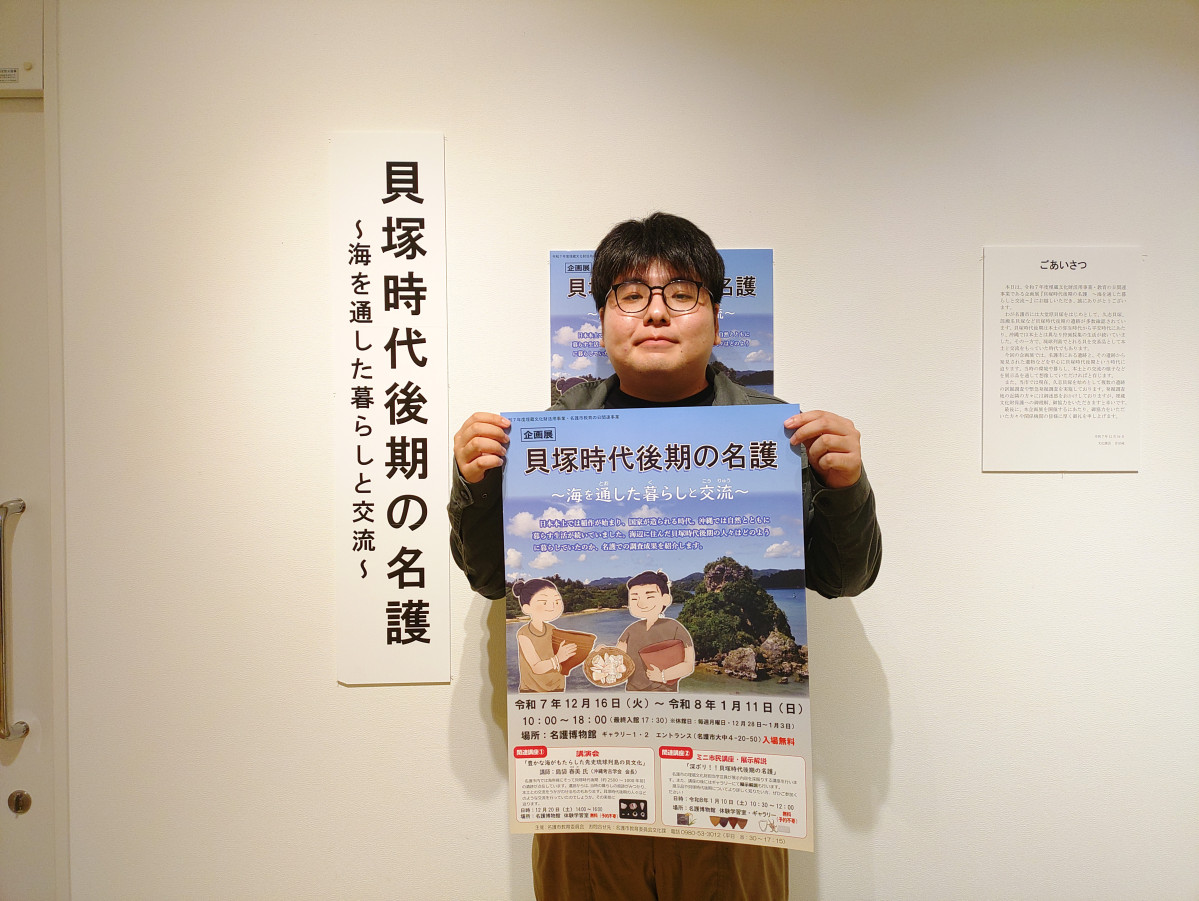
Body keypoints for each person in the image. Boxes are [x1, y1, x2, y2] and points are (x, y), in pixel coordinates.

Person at [449, 212, 882, 901]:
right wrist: (473, 483)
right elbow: (486, 579)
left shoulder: (779, 435)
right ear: (600, 320)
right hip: (586, 781)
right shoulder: (545, 441)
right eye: (631, 294)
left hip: (731, 784)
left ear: (716, 317)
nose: (656, 311)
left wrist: (844, 484)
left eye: (681, 293)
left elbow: (845, 576)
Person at [616, 570, 694, 691]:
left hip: (664, 694)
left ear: (665, 599)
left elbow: (688, 664)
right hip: (633, 693)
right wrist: (602, 654)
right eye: (634, 598)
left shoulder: (675, 628)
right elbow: (616, 658)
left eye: (650, 597)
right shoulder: (630, 630)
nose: (641, 603)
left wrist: (663, 676)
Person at [512, 578, 577, 692]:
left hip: (558, 687)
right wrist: (558, 658)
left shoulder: (552, 629)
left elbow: (565, 655)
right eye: (544, 602)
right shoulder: (524, 633)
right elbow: (536, 667)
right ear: (527, 608)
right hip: (533, 691)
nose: (552, 607)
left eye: (557, 602)